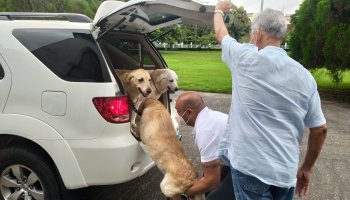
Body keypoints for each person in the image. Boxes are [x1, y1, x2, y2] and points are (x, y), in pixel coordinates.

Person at [213, 1, 328, 199]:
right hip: (285, 173)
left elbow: (221, 33)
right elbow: (320, 129)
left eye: (252, 34)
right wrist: (307, 168)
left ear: (257, 34)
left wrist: (218, 10)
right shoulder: (305, 77)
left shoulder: (244, 58)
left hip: (250, 170)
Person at [175, 91, 235, 199]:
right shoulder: (211, 117)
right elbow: (217, 164)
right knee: (207, 183)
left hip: (250, 171)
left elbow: (212, 182)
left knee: (213, 197)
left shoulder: (205, 130)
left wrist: (184, 193)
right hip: (239, 161)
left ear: (189, 112)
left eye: (178, 111)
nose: (176, 115)